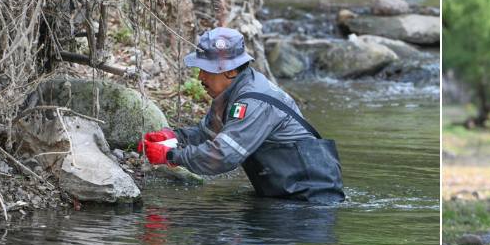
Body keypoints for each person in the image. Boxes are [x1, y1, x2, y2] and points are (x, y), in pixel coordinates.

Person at [138, 27, 345, 203]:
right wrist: (174, 137)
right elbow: (208, 133)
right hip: (285, 195)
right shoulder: (234, 92)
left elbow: (223, 156)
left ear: (230, 71)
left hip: (311, 202)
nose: (200, 76)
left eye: (206, 69)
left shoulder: (253, 102)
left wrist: (171, 156)